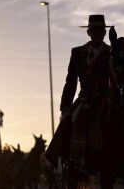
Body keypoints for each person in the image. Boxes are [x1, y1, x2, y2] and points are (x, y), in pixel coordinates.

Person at [45, 14, 113, 171]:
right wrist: (65, 106)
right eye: (94, 31)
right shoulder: (77, 52)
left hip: (106, 97)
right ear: (88, 33)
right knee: (67, 121)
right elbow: (71, 82)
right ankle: (61, 161)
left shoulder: (112, 52)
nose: (97, 34)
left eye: (100, 31)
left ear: (104, 33)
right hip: (85, 98)